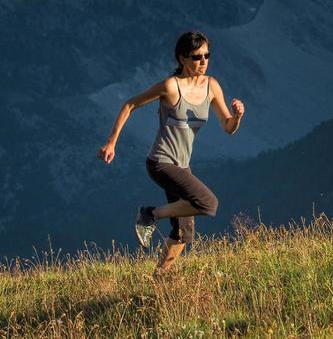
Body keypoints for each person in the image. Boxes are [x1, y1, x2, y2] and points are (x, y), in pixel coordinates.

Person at [97, 30, 245, 276]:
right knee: (208, 203)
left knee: (183, 233)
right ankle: (150, 214)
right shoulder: (171, 87)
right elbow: (130, 104)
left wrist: (237, 117)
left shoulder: (212, 86)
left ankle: (160, 277)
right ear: (182, 59)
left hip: (182, 166)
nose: (204, 61)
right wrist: (111, 142)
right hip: (161, 163)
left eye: (207, 55)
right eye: (197, 57)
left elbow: (228, 128)